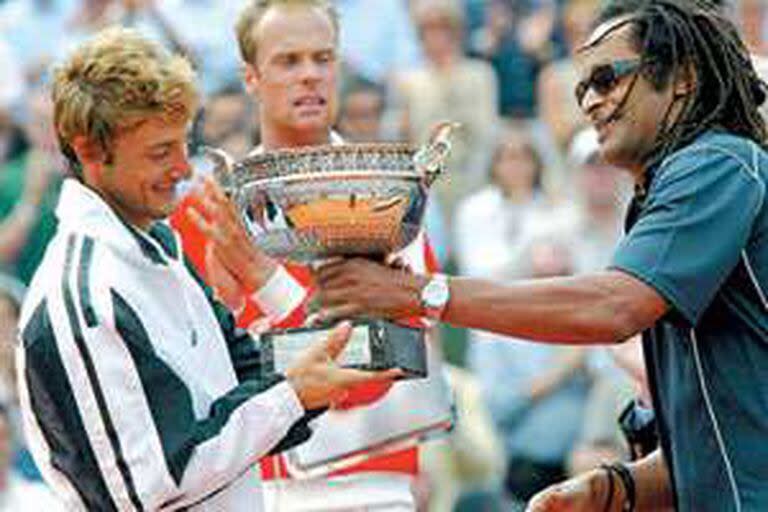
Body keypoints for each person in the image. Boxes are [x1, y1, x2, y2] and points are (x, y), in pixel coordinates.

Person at [312, 0, 768, 510]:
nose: (590, 102)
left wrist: (418, 294)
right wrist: (618, 486)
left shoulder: (716, 163)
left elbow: (614, 308)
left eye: (607, 79)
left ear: (682, 78)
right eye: (582, 88)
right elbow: (729, 441)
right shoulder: (683, 183)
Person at [16, 26, 397, 511]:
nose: (182, 168)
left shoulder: (161, 246)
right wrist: (293, 394)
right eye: (159, 152)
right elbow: (148, 490)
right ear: (90, 150)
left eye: (183, 143)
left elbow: (242, 369)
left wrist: (352, 338)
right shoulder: (84, 298)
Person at [174, 1, 447, 510]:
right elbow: (193, 380)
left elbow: (379, 372)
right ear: (251, 78)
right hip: (243, 492)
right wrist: (229, 305)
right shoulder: (206, 208)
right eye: (289, 61)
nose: (309, 76)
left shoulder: (390, 193)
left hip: (369, 488)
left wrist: (264, 281)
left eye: (323, 59)